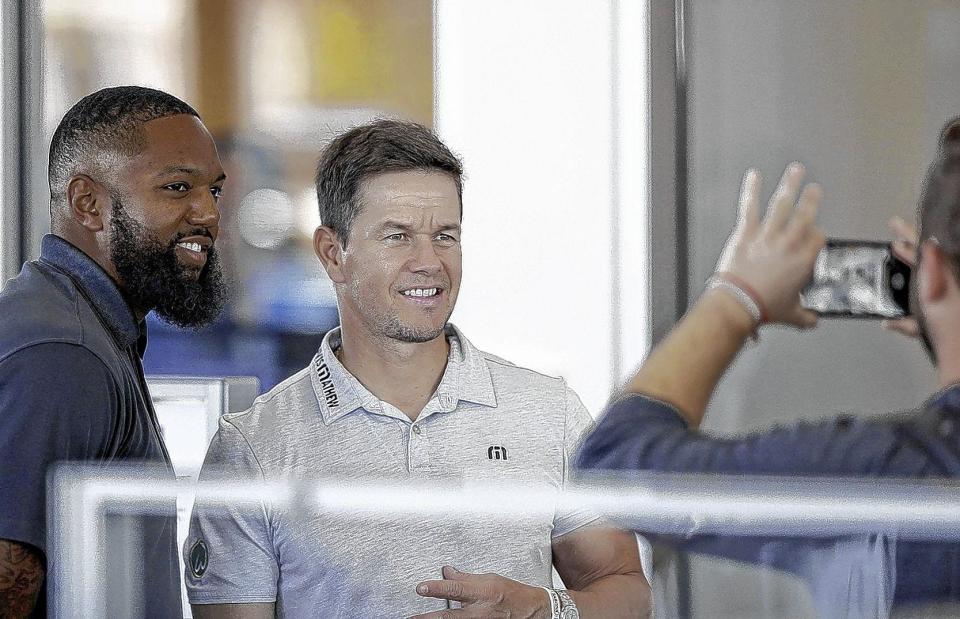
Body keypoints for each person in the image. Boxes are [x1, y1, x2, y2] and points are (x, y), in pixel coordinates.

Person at [184, 119, 651, 618]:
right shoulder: (255, 446)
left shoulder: (548, 412)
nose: (429, 261)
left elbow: (628, 592)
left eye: (445, 236)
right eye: (397, 236)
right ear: (332, 254)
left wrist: (544, 610)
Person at [577, 120, 960, 611]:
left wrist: (736, 297)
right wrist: (940, 314)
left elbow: (616, 461)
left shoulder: (887, 471)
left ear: (932, 276)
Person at [0, 86, 227, 617]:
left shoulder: (79, 323)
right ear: (89, 204)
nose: (208, 215)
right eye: (177, 188)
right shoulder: (62, 353)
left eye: (214, 191)